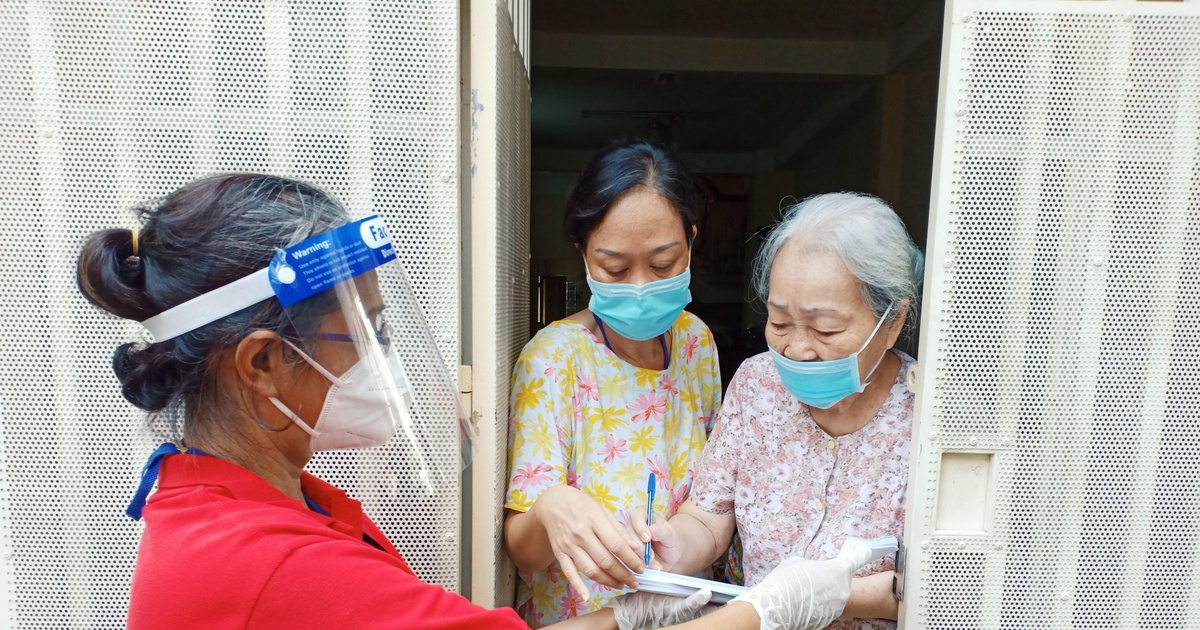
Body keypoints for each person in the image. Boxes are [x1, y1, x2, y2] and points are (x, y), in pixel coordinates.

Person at [77, 173, 859, 630]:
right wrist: (775, 607)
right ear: (263, 364)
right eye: (367, 334)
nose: (387, 362)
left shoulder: (270, 500)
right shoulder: (262, 560)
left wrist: (640, 610)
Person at [630, 192, 924, 629]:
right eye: (780, 323)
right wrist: (674, 543)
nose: (798, 349)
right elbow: (709, 519)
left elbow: (950, 587)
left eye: (826, 329)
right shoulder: (757, 385)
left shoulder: (929, 416)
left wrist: (835, 596)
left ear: (893, 321)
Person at [503, 140, 723, 625]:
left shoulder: (696, 343)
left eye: (663, 265)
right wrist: (549, 509)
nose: (641, 287)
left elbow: (715, 492)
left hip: (685, 615)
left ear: (691, 238)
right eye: (615, 268)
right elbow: (526, 554)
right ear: (583, 253)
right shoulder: (555, 357)